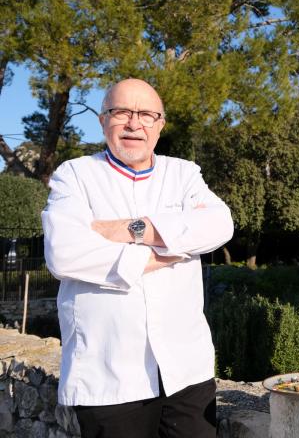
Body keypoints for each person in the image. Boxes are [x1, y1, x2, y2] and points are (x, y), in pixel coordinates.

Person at [42, 78, 234, 438]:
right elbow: (64, 253)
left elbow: (220, 224)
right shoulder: (75, 175)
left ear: (160, 125)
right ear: (102, 120)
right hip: (109, 377)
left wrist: (135, 230)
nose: (134, 123)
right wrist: (172, 249)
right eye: (121, 112)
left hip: (186, 372)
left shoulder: (184, 174)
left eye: (147, 114)